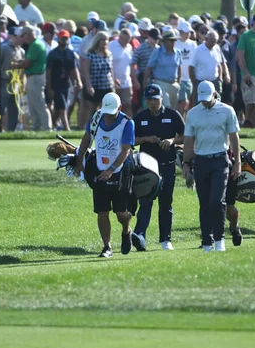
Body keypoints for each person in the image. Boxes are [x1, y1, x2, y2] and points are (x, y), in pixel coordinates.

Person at [182, 81, 241, 252]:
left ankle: (220, 239)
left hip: (220, 161)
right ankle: (207, 242)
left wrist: (237, 162)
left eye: (208, 99)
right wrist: (186, 163)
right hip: (201, 161)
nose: (205, 102)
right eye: (202, 99)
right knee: (205, 203)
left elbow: (234, 138)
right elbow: (188, 140)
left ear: (215, 94)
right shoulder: (193, 114)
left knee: (217, 200)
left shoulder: (227, 110)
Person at [74, 93, 135, 258]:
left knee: (121, 213)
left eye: (112, 112)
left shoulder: (127, 123)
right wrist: (79, 162)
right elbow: (86, 140)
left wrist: (111, 170)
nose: (108, 115)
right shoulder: (96, 118)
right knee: (102, 211)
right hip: (100, 169)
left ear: (120, 108)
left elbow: (125, 150)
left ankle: (126, 230)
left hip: (120, 171)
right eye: (106, 111)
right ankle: (107, 247)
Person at [131, 85, 185, 251]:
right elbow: (131, 140)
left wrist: (171, 141)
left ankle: (165, 239)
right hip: (146, 168)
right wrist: (146, 139)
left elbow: (186, 136)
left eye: (155, 99)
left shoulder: (172, 115)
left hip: (167, 166)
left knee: (165, 203)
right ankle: (140, 236)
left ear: (162, 98)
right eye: (149, 99)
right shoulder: (140, 117)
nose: (152, 103)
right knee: (145, 201)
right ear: (145, 100)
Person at [0, 26, 25, 132]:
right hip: (4, 82)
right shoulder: (4, 48)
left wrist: (22, 83)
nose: (23, 39)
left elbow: (22, 70)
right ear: (16, 36)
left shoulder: (21, 51)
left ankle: (11, 130)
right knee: (0, 108)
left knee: (15, 109)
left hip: (15, 84)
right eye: (21, 36)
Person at [15, 25, 51, 131]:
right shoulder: (34, 44)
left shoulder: (35, 45)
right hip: (32, 78)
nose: (22, 38)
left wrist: (16, 65)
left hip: (35, 78)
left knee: (39, 104)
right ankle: (36, 128)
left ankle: (47, 128)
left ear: (28, 34)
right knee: (33, 105)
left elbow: (27, 63)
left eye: (23, 35)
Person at [47, 29, 82, 131]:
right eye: (62, 39)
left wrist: (78, 81)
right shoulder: (52, 54)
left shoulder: (70, 53)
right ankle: (67, 129)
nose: (64, 41)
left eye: (66, 39)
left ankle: (52, 125)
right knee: (62, 107)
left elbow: (73, 69)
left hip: (65, 84)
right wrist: (49, 88)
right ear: (58, 39)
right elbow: (48, 72)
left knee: (59, 109)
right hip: (55, 84)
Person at [81, 31, 117, 123]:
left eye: (106, 40)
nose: (105, 42)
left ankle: (104, 126)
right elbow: (86, 70)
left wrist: (113, 82)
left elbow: (111, 70)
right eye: (102, 40)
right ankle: (91, 127)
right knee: (93, 108)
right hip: (95, 85)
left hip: (107, 85)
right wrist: (89, 85)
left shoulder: (109, 54)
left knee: (106, 109)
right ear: (98, 41)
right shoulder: (91, 54)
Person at [189, 30, 229, 106]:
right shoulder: (198, 50)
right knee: (200, 105)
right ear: (206, 39)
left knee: (216, 104)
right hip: (201, 82)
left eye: (215, 41)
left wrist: (220, 78)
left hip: (214, 81)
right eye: (212, 41)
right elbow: (191, 67)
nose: (214, 43)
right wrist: (194, 82)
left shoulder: (217, 48)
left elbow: (219, 64)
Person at [146, 29, 183, 110]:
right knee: (167, 107)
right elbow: (148, 68)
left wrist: (179, 82)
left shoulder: (178, 52)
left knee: (173, 109)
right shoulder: (157, 52)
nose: (174, 42)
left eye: (174, 40)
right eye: (171, 40)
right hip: (161, 83)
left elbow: (179, 68)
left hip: (174, 84)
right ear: (165, 42)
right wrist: (145, 85)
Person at [108, 28, 134, 117]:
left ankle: (128, 124)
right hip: (114, 82)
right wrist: (113, 78)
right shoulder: (111, 46)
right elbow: (108, 64)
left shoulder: (129, 47)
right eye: (126, 40)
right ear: (120, 37)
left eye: (129, 40)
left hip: (126, 81)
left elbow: (130, 65)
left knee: (127, 104)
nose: (127, 42)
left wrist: (134, 79)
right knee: (114, 106)